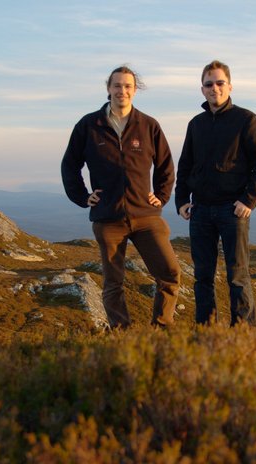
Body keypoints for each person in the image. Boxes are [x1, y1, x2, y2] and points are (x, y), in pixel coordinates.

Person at [61, 65, 180, 329]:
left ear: (134, 91)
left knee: (170, 273)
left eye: (127, 86)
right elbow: (70, 164)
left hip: (146, 216)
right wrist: (82, 196)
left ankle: (161, 328)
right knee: (113, 282)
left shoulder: (148, 125)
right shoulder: (89, 125)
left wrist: (161, 195)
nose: (122, 91)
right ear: (108, 89)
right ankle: (121, 333)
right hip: (108, 218)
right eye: (117, 85)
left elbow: (166, 166)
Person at [175, 60, 256, 326]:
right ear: (202, 89)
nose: (214, 88)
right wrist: (182, 200)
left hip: (233, 209)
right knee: (202, 276)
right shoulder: (196, 124)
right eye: (209, 84)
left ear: (230, 86)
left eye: (219, 83)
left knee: (237, 275)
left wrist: (249, 200)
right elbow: (185, 165)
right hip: (201, 210)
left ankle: (242, 336)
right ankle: (206, 333)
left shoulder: (246, 120)